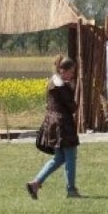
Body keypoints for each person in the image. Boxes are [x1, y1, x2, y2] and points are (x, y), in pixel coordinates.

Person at [26, 55, 81, 199]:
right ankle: (71, 189)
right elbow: (72, 106)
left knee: (59, 158)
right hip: (63, 124)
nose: (72, 74)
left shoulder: (52, 83)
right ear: (62, 70)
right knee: (70, 157)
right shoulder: (61, 86)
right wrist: (71, 89)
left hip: (52, 123)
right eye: (71, 71)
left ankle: (35, 183)